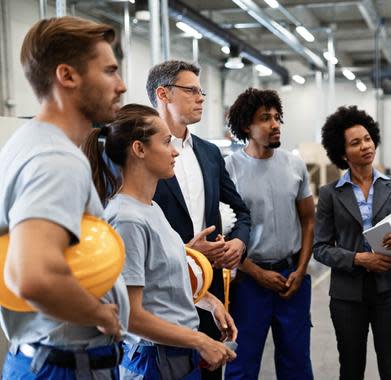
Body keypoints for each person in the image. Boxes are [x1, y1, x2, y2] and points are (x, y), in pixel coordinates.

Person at [0, 16, 129, 379]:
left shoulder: (26, 143)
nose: (121, 86)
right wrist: (99, 313)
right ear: (67, 76)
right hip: (65, 365)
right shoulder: (56, 160)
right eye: (109, 72)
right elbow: (33, 277)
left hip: (43, 358)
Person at [82, 103, 238, 379]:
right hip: (154, 358)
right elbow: (129, 316)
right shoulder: (127, 219)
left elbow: (165, 282)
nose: (175, 150)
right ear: (139, 150)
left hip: (176, 351)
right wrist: (201, 340)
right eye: (166, 142)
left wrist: (210, 302)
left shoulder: (151, 209)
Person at [313, 105, 391, 380]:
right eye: (355, 143)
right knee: (351, 368)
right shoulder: (330, 195)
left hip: (390, 292)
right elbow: (320, 248)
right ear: (343, 152)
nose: (366, 146)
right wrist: (358, 259)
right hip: (347, 295)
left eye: (368, 138)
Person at [146, 60, 251, 379]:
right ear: (163, 94)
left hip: (211, 285)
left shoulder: (208, 153)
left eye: (200, 90)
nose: (201, 97)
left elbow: (242, 210)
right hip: (161, 291)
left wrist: (238, 243)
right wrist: (187, 253)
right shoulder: (144, 154)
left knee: (210, 368)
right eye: (191, 90)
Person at [223, 88, 314, 380]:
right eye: (265, 118)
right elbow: (224, 231)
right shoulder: (229, 169)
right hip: (249, 282)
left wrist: (301, 270)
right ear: (246, 127)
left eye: (277, 117)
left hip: (292, 279)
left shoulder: (295, 165)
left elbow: (309, 221)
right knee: (242, 362)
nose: (275, 124)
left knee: (297, 362)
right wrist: (255, 273)